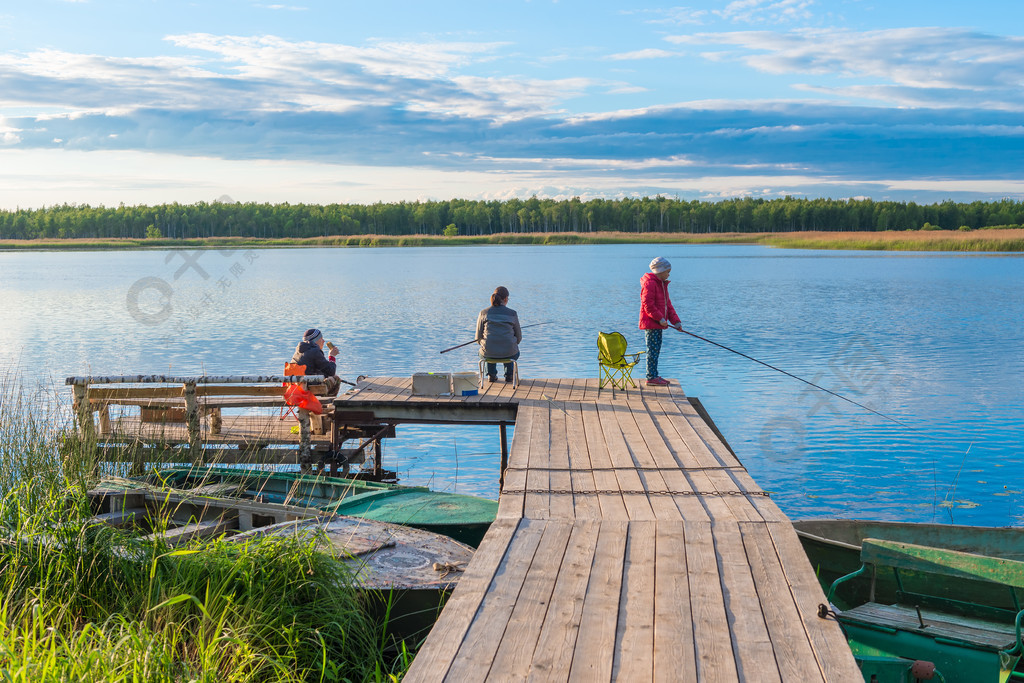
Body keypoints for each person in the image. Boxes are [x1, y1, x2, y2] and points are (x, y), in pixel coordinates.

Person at [639, 256, 682, 386]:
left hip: (659, 324)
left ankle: (654, 375)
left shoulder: (662, 285)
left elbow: (668, 305)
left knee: (656, 350)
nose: (669, 274)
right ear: (660, 271)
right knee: (652, 350)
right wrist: (660, 318)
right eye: (667, 271)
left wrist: (676, 322)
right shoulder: (650, 283)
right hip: (652, 324)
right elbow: (648, 305)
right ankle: (651, 377)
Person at [476, 286, 522, 382]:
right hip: (510, 353)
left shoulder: (483, 313)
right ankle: (509, 375)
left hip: (488, 352)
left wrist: (486, 342)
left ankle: (491, 375)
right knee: (510, 348)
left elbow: (478, 338)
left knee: (487, 348)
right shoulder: (512, 314)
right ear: (505, 299)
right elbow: (519, 338)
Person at [290, 328, 341, 396]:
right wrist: (332, 356)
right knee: (335, 378)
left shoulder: (298, 350)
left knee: (328, 377)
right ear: (316, 340)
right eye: (321, 338)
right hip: (310, 387)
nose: (323, 341)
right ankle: (326, 403)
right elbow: (331, 371)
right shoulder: (315, 351)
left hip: (297, 386)